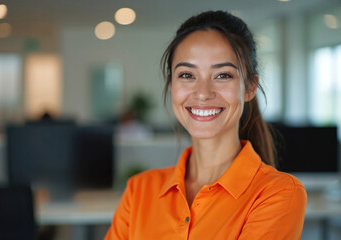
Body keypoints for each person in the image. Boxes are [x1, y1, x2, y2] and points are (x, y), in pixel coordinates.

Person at [105, 10, 307, 239]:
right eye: (187, 75)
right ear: (171, 84)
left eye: (222, 75)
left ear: (250, 87)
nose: (202, 93)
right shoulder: (139, 190)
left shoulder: (277, 194)